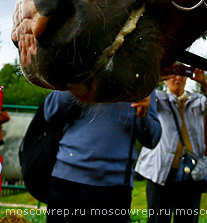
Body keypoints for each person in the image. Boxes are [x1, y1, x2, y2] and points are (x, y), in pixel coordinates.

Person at [44, 90, 161, 223]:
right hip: (68, 182)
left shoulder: (142, 82)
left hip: (115, 189)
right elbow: (51, 112)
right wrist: (75, 82)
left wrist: (143, 116)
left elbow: (152, 139)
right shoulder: (80, 72)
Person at [135, 66, 207, 223]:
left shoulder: (197, 101)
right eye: (172, 76)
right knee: (159, 219)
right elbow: (141, 93)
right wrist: (156, 76)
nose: (177, 79)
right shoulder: (157, 99)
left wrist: (204, 83)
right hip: (160, 171)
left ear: (186, 79)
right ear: (166, 79)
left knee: (188, 219)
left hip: (190, 173)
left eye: (181, 75)